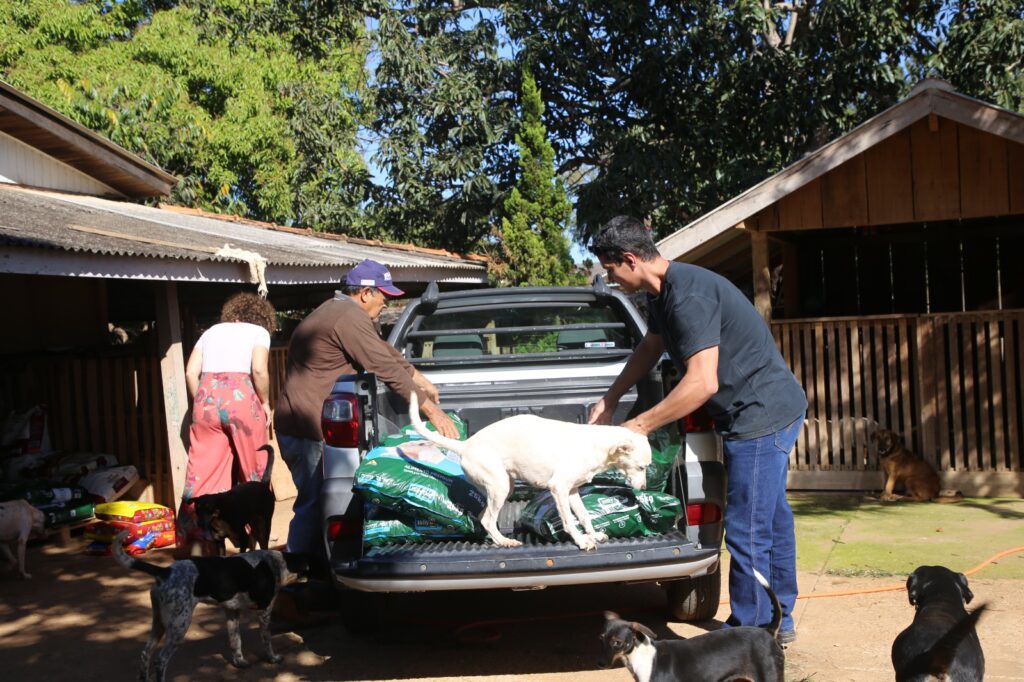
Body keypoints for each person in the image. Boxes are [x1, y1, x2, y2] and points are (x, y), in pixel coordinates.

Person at [588, 216, 807, 643]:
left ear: (630, 259)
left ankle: (749, 633)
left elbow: (702, 382)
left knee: (747, 528)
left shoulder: (688, 294)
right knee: (772, 519)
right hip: (762, 410)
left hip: (761, 415)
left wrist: (638, 426)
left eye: (610, 268)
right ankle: (779, 621)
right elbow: (651, 347)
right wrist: (611, 398)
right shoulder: (663, 294)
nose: (609, 277)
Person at [275, 259, 459, 561]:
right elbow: (382, 365)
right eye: (382, 294)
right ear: (364, 293)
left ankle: (310, 570)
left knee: (315, 501)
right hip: (306, 429)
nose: (385, 302)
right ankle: (297, 575)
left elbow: (383, 352)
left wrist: (420, 379)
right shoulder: (347, 316)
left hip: (300, 423)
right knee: (313, 503)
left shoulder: (341, 312)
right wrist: (431, 411)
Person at [177, 292, 276, 554]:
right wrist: (265, 403)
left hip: (206, 399)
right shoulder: (258, 332)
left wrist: (203, 398)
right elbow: (258, 370)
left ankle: (195, 539)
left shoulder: (210, 332)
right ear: (262, 318)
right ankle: (255, 535)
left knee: (202, 472)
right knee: (255, 468)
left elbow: (190, 371)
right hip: (242, 399)